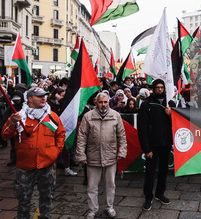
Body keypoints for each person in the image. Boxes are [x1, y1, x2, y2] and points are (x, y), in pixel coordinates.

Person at [1, 87, 65, 219]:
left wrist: (55, 151)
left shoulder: (51, 116)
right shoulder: (19, 116)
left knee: (46, 196)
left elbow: (60, 135)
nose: (43, 98)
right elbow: (5, 135)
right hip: (25, 166)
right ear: (29, 99)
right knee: (23, 197)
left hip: (47, 164)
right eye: (39, 96)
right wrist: (13, 122)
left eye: (44, 96)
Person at [75, 92, 127, 219]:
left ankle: (110, 207)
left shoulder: (116, 116)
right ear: (95, 103)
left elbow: (122, 135)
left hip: (110, 156)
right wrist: (81, 154)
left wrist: (122, 152)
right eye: (100, 102)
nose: (103, 105)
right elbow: (81, 137)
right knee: (92, 186)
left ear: (108, 102)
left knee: (110, 185)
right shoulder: (88, 116)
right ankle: (93, 209)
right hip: (93, 157)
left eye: (105, 102)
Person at [138, 79, 175, 211]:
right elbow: (142, 129)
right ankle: (148, 196)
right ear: (153, 89)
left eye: (162, 87)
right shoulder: (147, 104)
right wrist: (146, 148)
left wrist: (171, 115)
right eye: (157, 87)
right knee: (150, 172)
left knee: (163, 171)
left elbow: (177, 124)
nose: (160, 89)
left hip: (165, 145)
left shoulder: (170, 103)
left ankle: (160, 193)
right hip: (152, 146)